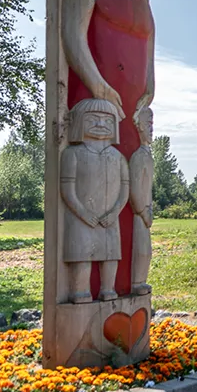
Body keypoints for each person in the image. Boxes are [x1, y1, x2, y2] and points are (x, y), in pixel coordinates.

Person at [62, 0, 155, 298]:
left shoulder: (143, 0)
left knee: (138, 205)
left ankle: (132, 288)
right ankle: (86, 298)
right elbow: (73, 38)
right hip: (96, 101)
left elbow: (149, 56)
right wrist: (100, 85)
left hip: (133, 114)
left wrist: (148, 96)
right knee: (91, 184)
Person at [61, 98, 129, 303]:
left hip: (109, 217)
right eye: (92, 120)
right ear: (79, 122)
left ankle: (108, 289)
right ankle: (79, 291)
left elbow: (124, 189)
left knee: (109, 255)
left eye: (107, 121)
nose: (100, 125)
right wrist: (83, 214)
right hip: (81, 217)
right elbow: (67, 189)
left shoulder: (117, 157)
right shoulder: (72, 154)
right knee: (82, 255)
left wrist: (115, 211)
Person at [129, 106, 154, 295]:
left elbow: (147, 188)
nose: (151, 129)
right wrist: (142, 210)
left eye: (152, 124)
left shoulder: (147, 156)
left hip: (146, 212)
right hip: (140, 213)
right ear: (139, 127)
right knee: (140, 248)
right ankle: (137, 282)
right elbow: (135, 187)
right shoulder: (138, 157)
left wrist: (150, 208)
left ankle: (140, 280)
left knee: (147, 250)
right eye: (148, 124)